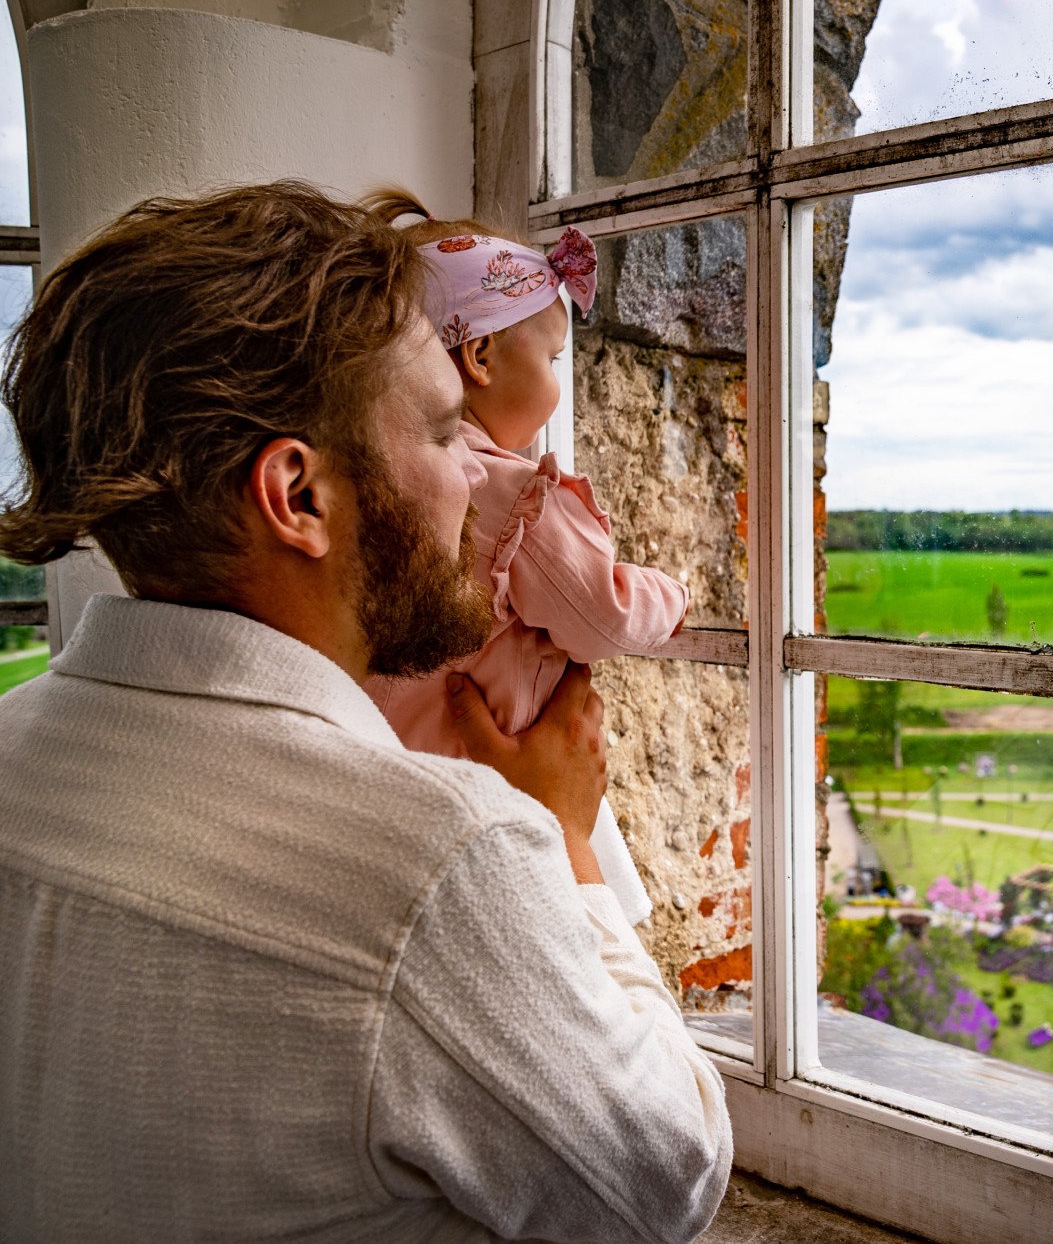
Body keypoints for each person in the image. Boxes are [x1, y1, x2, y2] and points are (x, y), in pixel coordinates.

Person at [0, 182, 731, 1242]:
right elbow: (670, 1182)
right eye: (443, 432)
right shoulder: (443, 862)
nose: (466, 483)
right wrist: (567, 845)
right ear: (297, 496)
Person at [361, 189, 684, 927]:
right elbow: (602, 612)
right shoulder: (510, 494)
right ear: (479, 356)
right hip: (498, 775)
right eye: (551, 356)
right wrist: (671, 595)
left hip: (399, 764)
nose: (556, 382)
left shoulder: (378, 480)